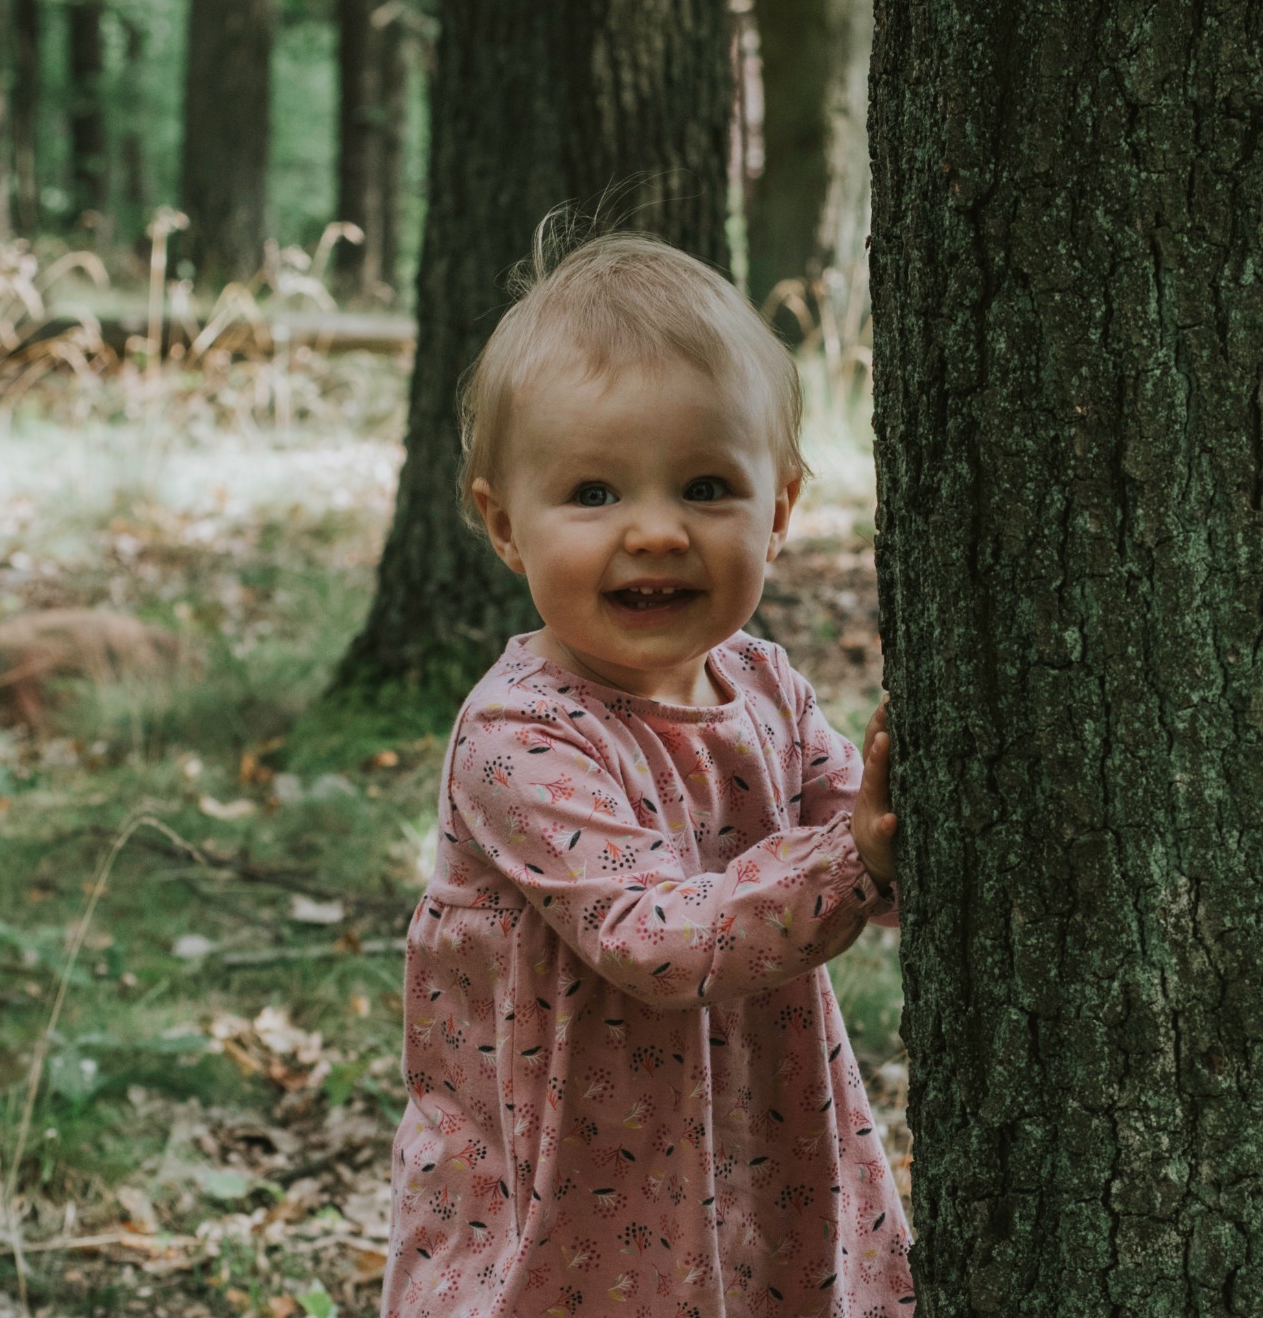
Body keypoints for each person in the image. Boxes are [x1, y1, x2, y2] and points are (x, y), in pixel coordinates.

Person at [381, 228, 912, 1318]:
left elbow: (855, 840)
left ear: (777, 510)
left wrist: (886, 832)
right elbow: (656, 936)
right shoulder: (517, 739)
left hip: (753, 1148)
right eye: (591, 494)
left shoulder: (766, 689)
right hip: (570, 1186)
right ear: (502, 525)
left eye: (706, 485)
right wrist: (852, 857)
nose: (656, 532)